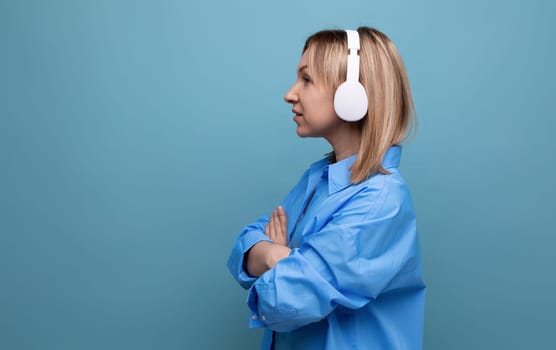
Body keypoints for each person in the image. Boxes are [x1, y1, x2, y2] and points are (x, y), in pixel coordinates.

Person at [226, 26, 425, 350]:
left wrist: (272, 261)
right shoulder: (317, 180)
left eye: (306, 80)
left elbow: (283, 302)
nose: (290, 94)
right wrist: (279, 257)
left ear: (353, 95)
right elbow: (243, 247)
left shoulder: (380, 202)